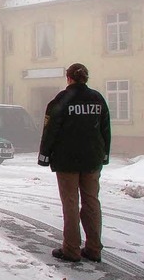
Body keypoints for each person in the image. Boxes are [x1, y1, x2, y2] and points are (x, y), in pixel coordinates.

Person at [38, 63, 111, 263]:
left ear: (69, 78)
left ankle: (71, 249)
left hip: (67, 160)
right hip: (92, 159)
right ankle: (94, 248)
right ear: (85, 78)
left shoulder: (62, 100)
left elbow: (50, 130)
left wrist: (44, 155)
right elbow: (105, 128)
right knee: (92, 202)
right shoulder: (98, 99)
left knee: (70, 202)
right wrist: (105, 154)